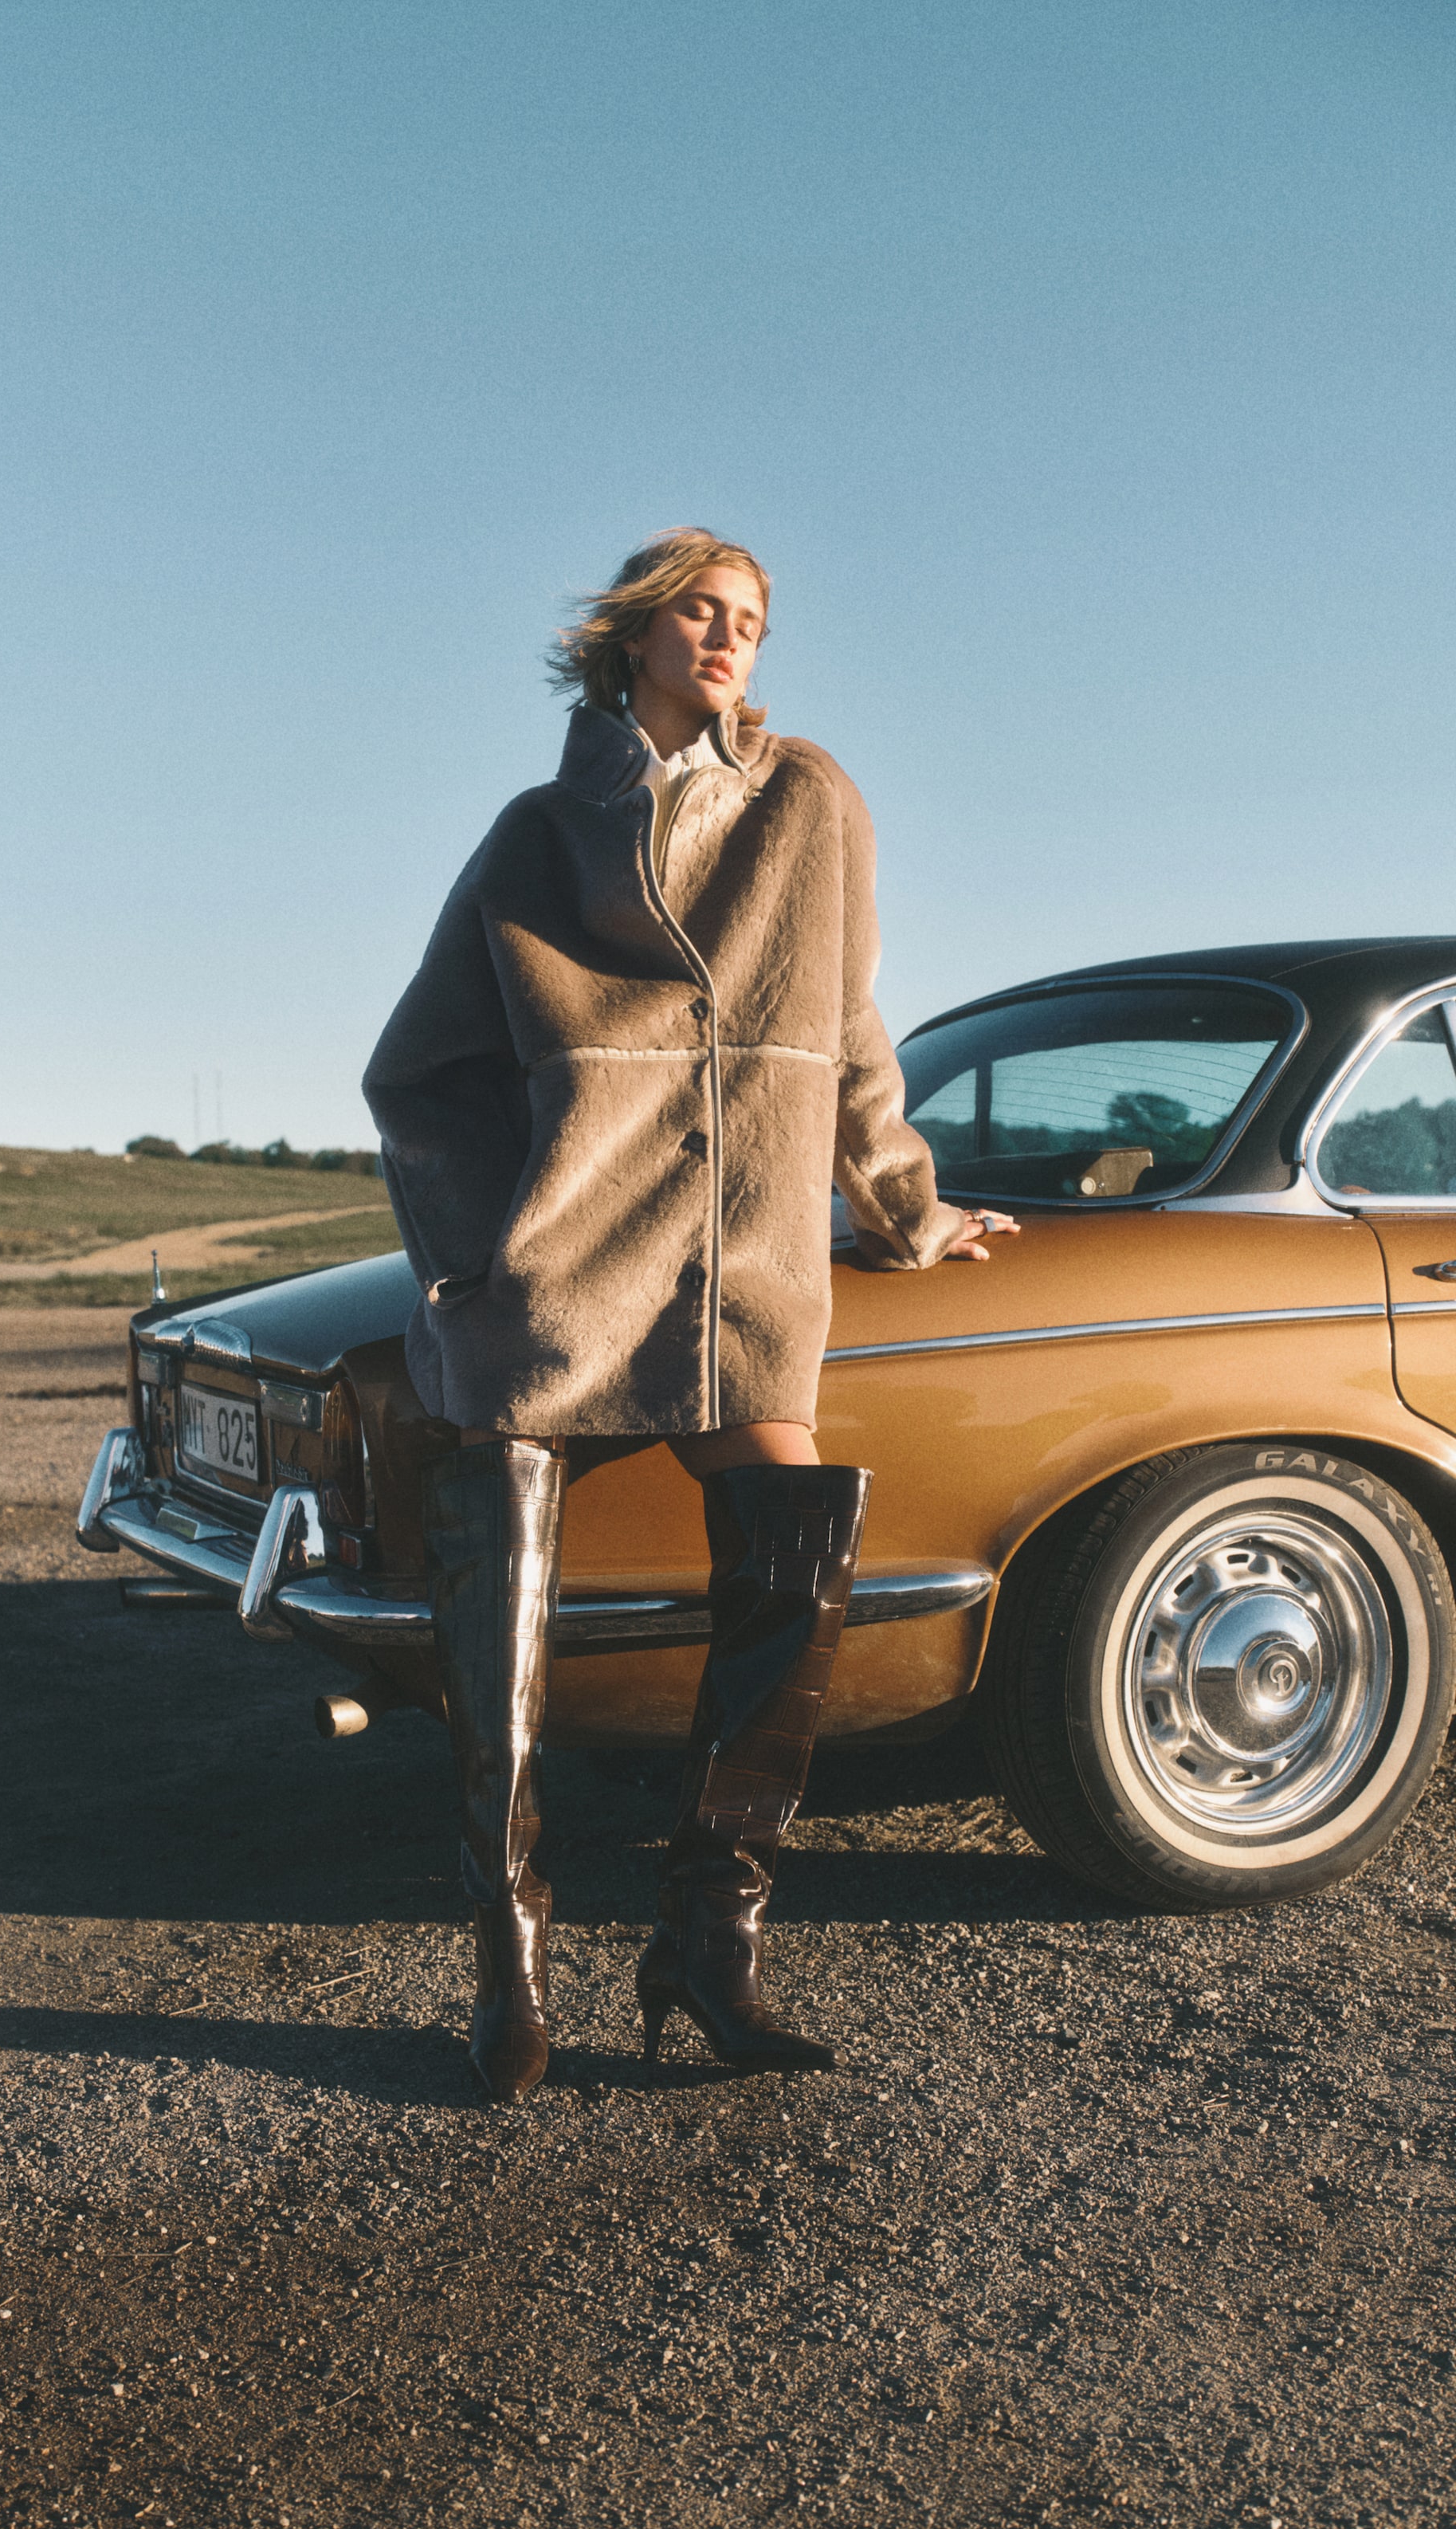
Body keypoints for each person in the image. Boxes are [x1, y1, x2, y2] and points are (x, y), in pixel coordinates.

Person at [363, 528, 1017, 2103]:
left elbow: (850, 1028)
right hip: (565, 1268)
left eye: (752, 622)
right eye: (702, 613)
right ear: (633, 636)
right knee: (502, 1577)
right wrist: (472, 1261)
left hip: (739, 1264)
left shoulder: (811, 802)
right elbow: (418, 1073)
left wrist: (908, 1209)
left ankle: (710, 1944)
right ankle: (509, 1954)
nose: (729, 640)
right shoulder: (538, 835)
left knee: (797, 1538)